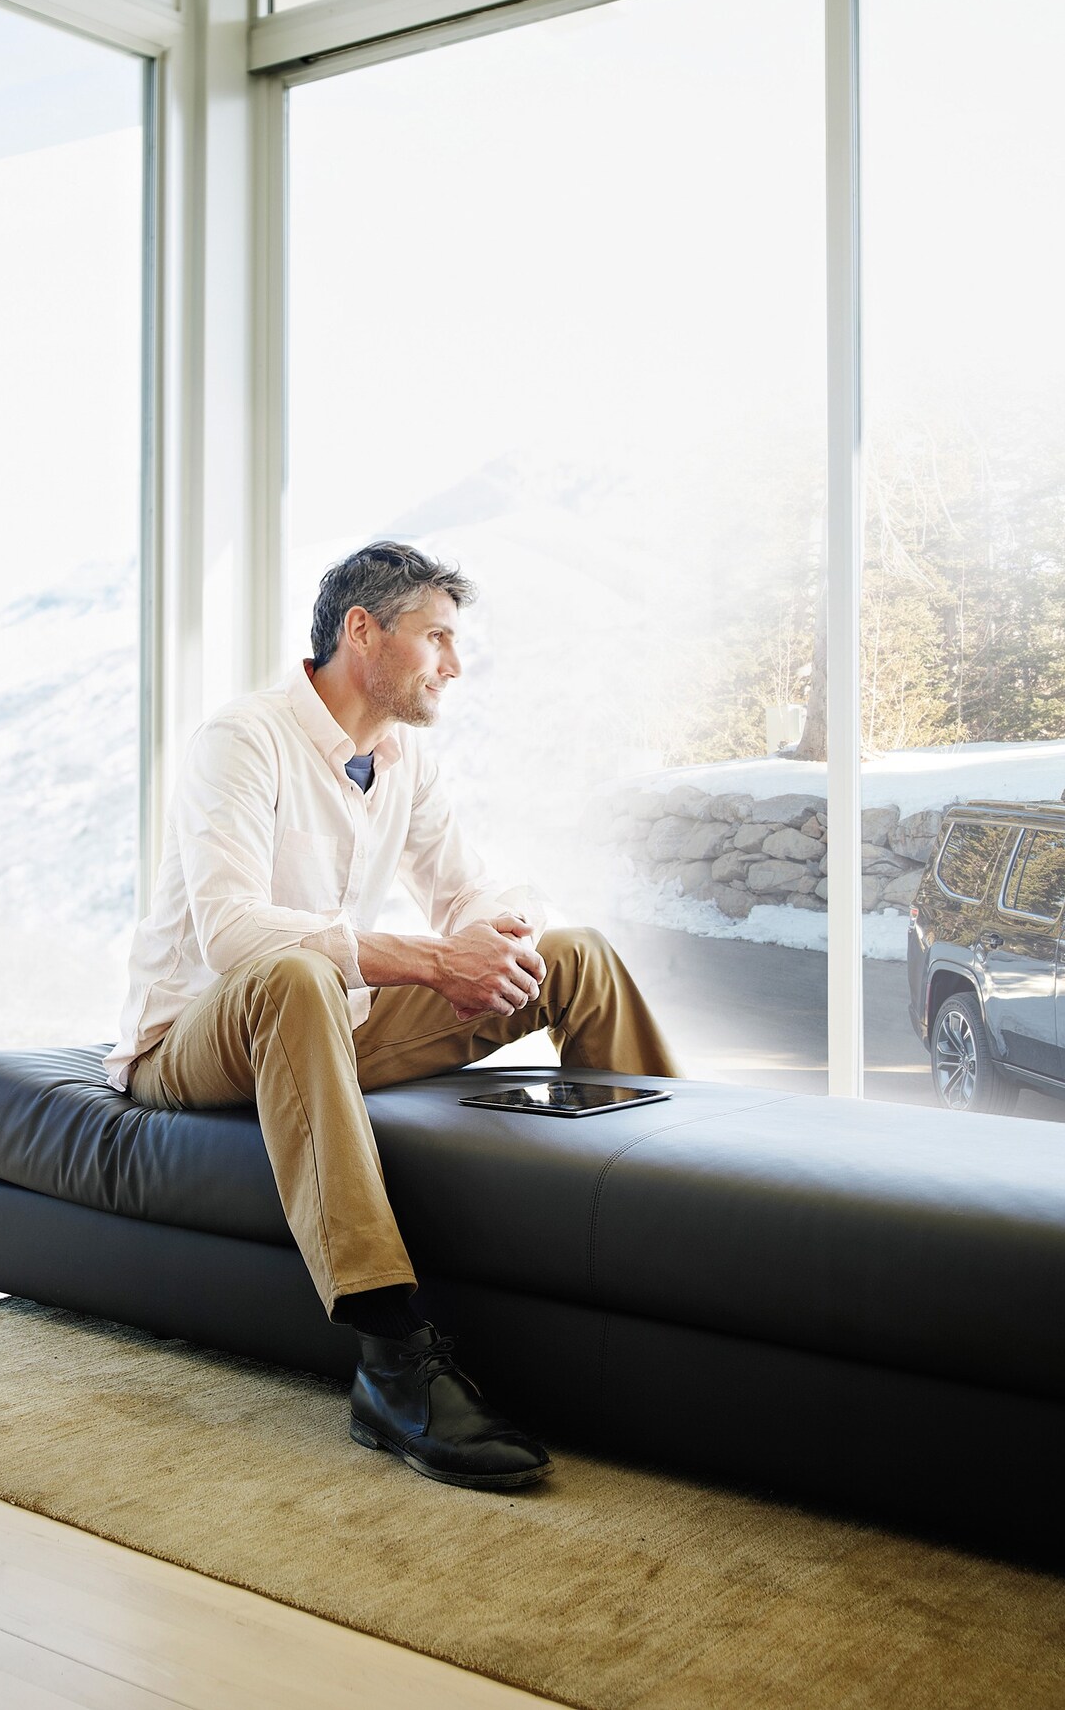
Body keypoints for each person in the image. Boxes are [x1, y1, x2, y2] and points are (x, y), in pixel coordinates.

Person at [108, 540, 680, 1489]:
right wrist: (431, 959)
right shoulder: (243, 740)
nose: (454, 665)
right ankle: (392, 1361)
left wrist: (500, 935)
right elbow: (232, 934)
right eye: (438, 638)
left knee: (573, 955)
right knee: (295, 973)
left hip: (331, 1024)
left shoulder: (403, 756)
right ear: (361, 630)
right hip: (194, 1040)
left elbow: (465, 894)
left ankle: (669, 1215)